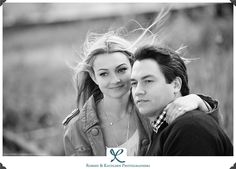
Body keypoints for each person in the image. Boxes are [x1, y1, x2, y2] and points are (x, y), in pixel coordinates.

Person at [62, 30, 219, 156]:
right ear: (94, 77)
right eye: (104, 74)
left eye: (122, 69)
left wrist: (198, 100)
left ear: (134, 67)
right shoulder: (77, 128)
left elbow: (205, 131)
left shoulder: (150, 107)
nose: (115, 79)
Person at [131, 45, 233, 155]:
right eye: (134, 83)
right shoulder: (163, 128)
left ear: (175, 85)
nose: (138, 91)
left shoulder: (189, 128)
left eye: (148, 81)